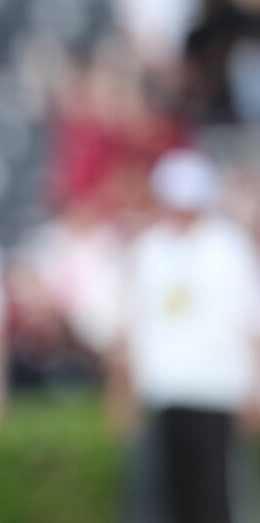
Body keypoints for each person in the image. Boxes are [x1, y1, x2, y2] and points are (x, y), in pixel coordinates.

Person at [110, 149, 260, 523]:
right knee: (159, 501)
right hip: (161, 390)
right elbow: (131, 325)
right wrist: (123, 389)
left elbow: (248, 322)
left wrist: (254, 387)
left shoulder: (229, 247)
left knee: (213, 499)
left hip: (216, 390)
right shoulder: (149, 249)